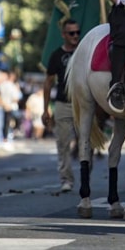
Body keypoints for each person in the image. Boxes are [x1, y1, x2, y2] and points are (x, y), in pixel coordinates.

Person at [43, 18, 80, 192]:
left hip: (84, 104)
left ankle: (86, 177)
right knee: (63, 144)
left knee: (86, 144)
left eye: (78, 32)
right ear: (64, 35)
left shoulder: (84, 51)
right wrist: (45, 110)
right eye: (71, 33)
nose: (75, 36)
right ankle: (66, 179)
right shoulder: (56, 55)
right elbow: (48, 82)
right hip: (63, 104)